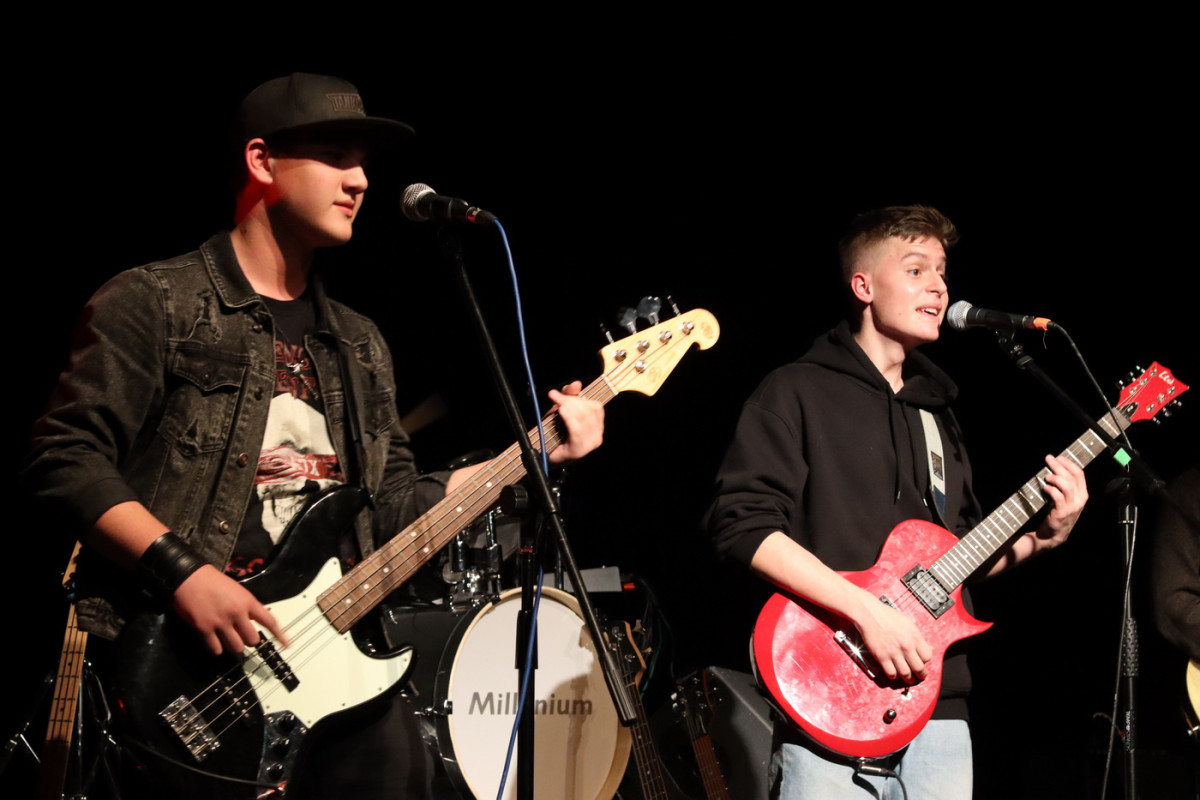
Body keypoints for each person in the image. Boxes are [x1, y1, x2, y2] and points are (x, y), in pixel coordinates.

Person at [22, 73, 603, 799]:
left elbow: (391, 509)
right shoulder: (156, 301)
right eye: (335, 156)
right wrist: (185, 572)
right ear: (261, 161)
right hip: (178, 667)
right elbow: (66, 458)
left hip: (329, 665)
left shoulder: (358, 343)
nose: (360, 180)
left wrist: (532, 456)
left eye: (362, 163)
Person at [705, 206, 1087, 798]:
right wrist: (867, 612)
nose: (938, 286)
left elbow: (958, 562)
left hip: (938, 706)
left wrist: (1045, 538)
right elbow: (741, 526)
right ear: (863, 286)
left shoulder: (939, 413)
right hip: (829, 693)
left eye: (942, 272)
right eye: (916, 270)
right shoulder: (795, 390)